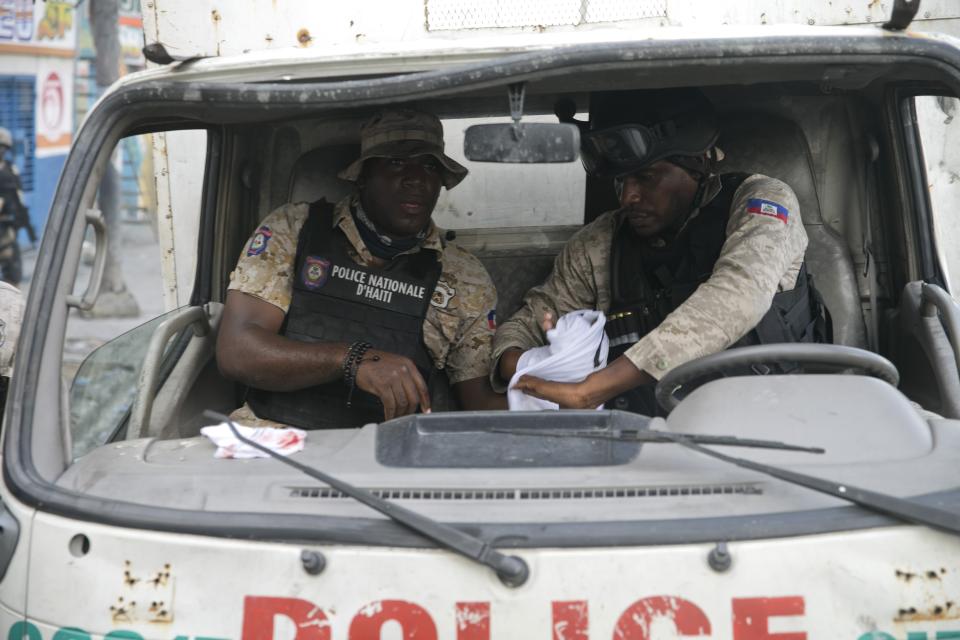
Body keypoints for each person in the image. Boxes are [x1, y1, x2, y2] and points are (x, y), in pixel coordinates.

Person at [493, 89, 826, 414]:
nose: (628, 198)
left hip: (779, 427)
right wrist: (527, 364)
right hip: (651, 448)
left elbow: (740, 294)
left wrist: (595, 388)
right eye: (621, 181)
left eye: (646, 177)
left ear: (696, 165)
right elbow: (524, 327)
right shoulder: (599, 244)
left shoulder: (760, 202)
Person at [217, 108, 505, 429]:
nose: (417, 179)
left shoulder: (464, 277)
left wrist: (556, 396)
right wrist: (352, 360)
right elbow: (236, 350)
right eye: (396, 162)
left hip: (387, 459)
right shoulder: (293, 230)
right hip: (273, 443)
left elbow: (479, 402)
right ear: (364, 175)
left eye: (429, 166)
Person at [0, 128, 29, 286]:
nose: (2, 151)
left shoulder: (11, 170)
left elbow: (18, 194)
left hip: (9, 226)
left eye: (4, 148)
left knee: (13, 272)